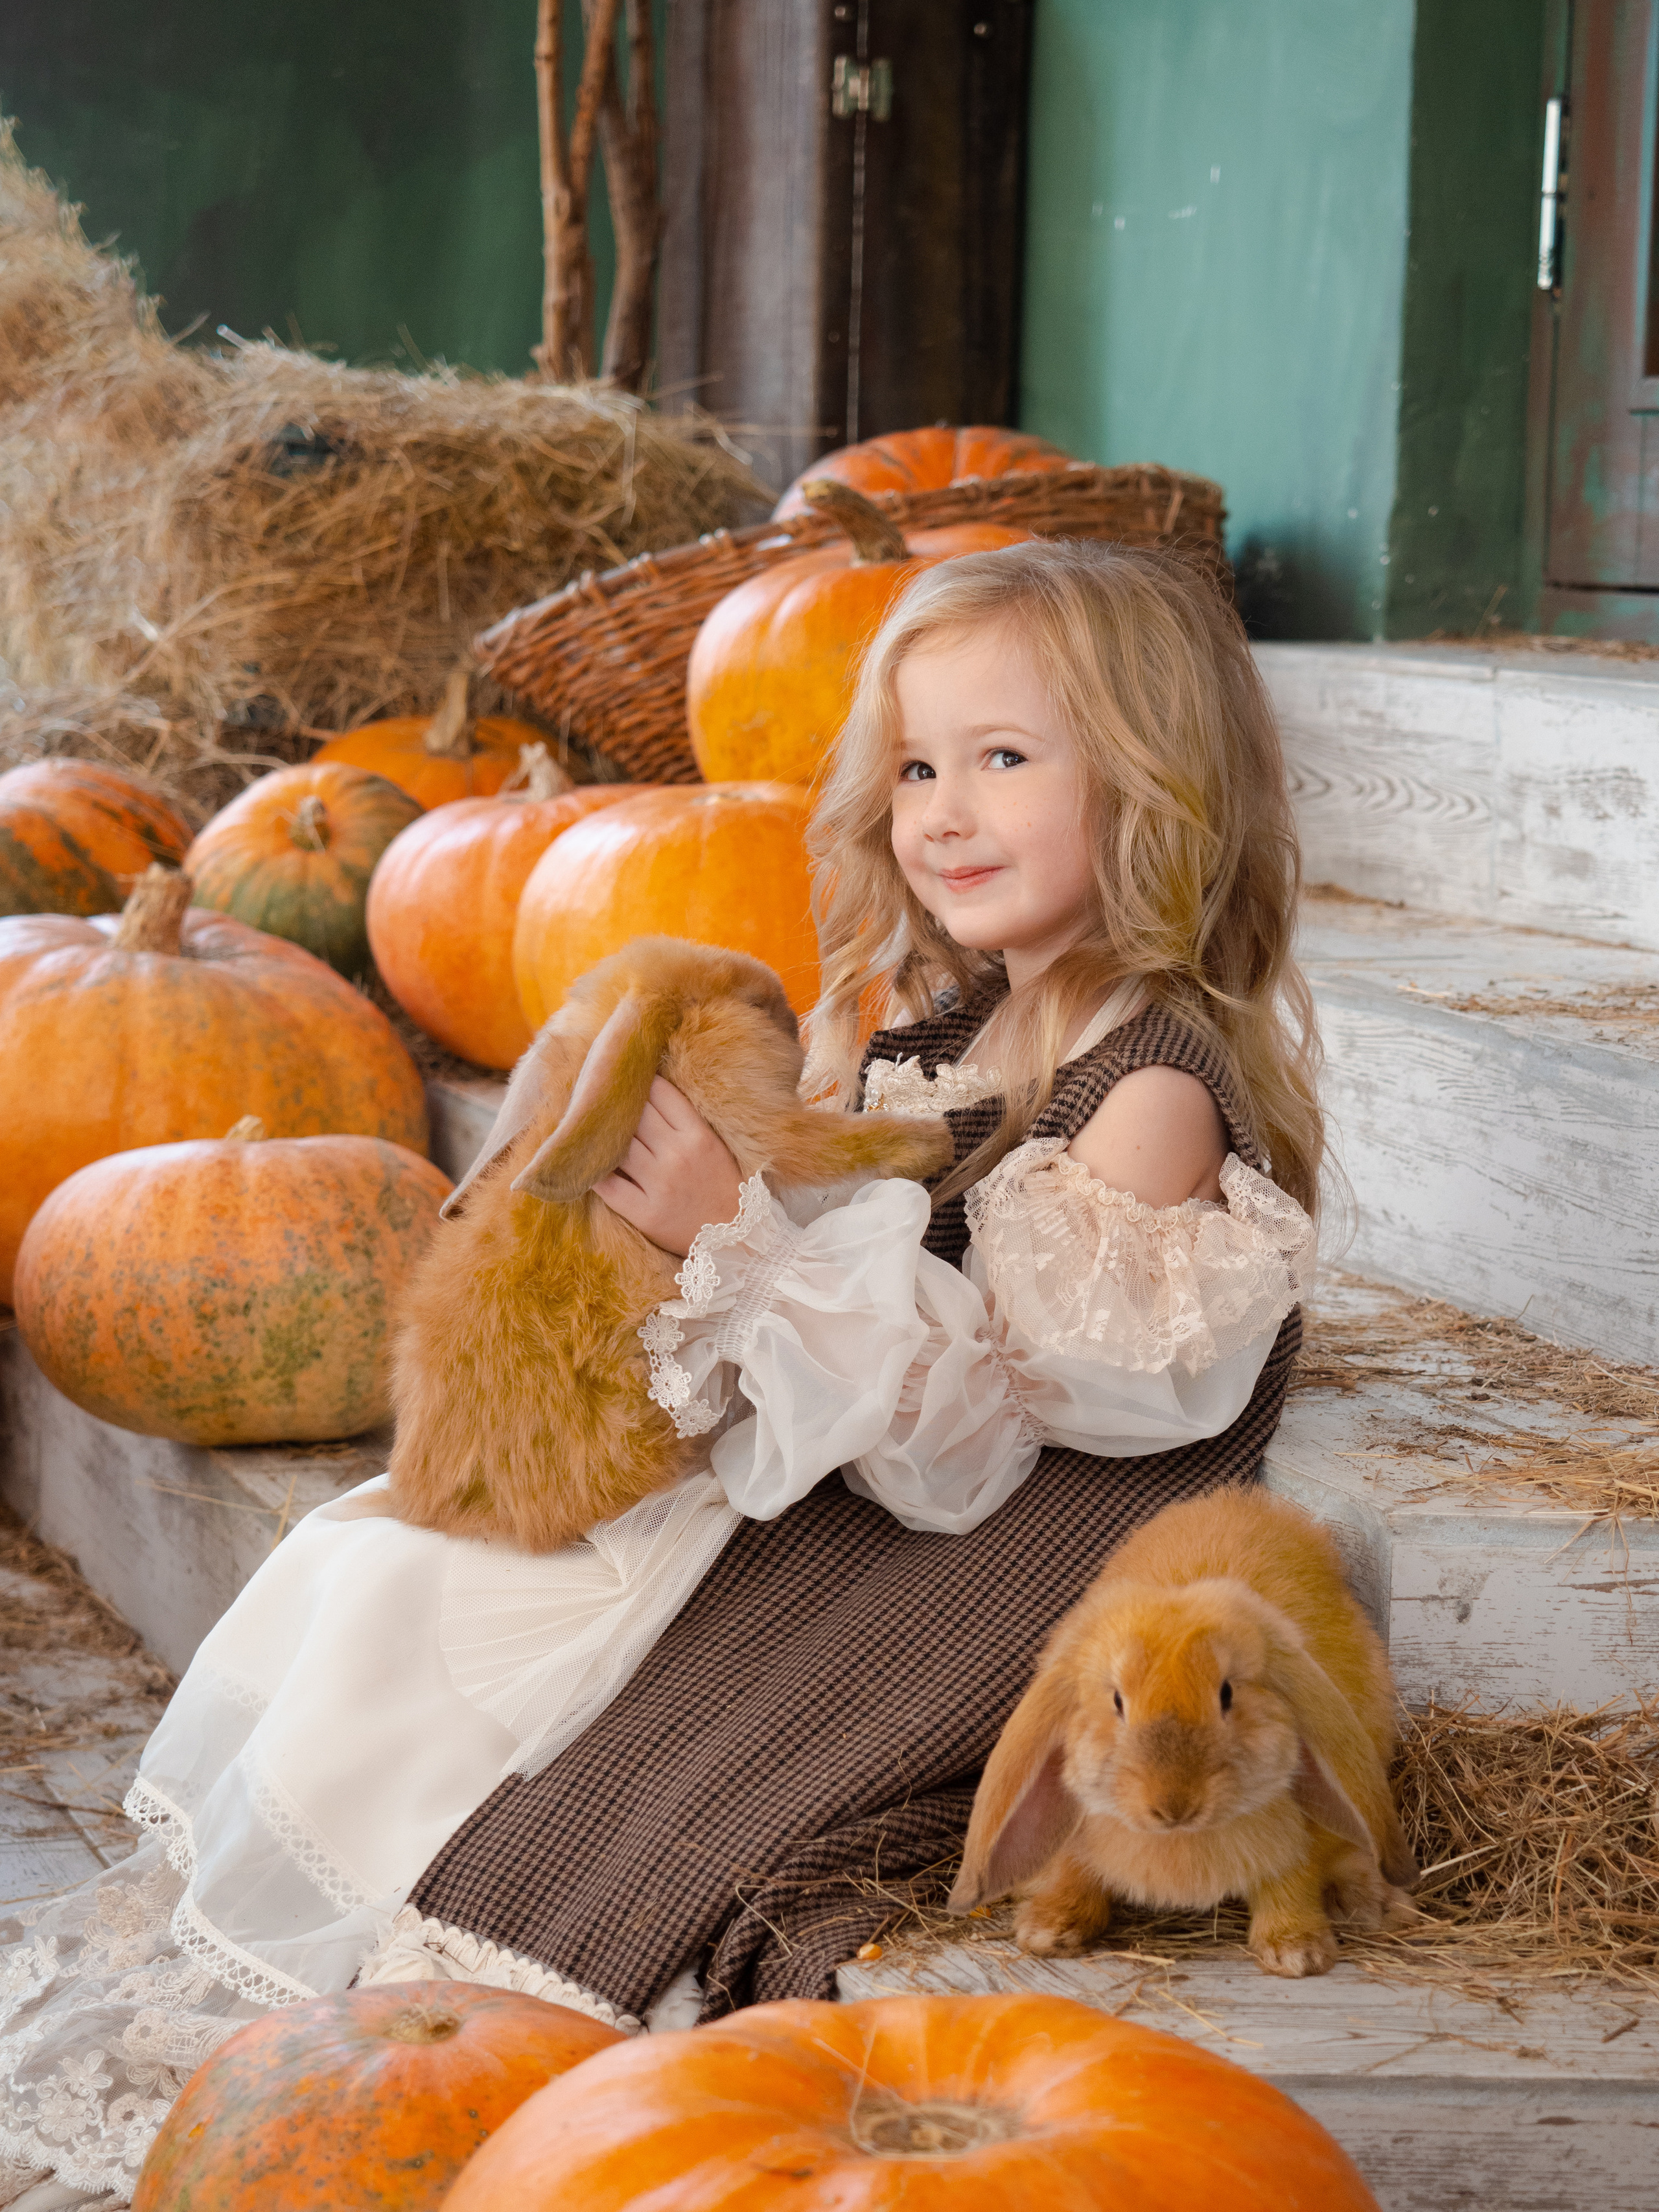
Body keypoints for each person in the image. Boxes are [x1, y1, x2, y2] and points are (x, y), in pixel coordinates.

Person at [0, 539, 1321, 2205]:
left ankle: (480, 2017)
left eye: (1004, 760)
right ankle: (336, 2038)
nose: (943, 812)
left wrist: (742, 1243)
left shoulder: (1147, 1093)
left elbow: (978, 1435)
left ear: (1148, 787)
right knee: (399, 1566)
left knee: (557, 1677)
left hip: (984, 1541)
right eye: (916, 766)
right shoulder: (937, 1029)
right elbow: (850, 1320)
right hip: (853, 1462)